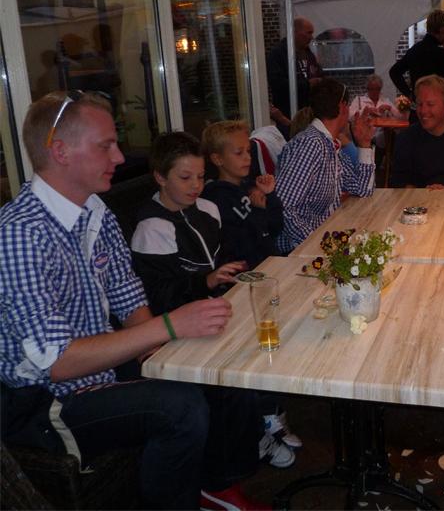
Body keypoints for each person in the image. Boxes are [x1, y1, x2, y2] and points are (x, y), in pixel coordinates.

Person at [0, 91, 266, 510]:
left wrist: (167, 351)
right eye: (105, 146)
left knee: (218, 368)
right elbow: (56, 361)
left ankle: (214, 484)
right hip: (46, 401)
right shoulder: (20, 232)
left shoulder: (95, 210)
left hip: (97, 369)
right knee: (179, 408)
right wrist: (170, 326)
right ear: (60, 151)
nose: (120, 157)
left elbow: (127, 298)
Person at [131, 131, 300, 467]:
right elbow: (159, 296)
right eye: (185, 178)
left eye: (200, 176)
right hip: (179, 325)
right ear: (160, 177)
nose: (196, 185)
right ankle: (246, 444)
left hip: (217, 305)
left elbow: (222, 256)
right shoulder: (152, 228)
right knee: (246, 354)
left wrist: (230, 273)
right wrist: (206, 281)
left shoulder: (207, 208)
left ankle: (264, 414)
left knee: (277, 324)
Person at [274, 78, 376, 254]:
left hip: (321, 241)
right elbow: (283, 206)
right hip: (295, 252)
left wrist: (364, 144)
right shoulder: (311, 144)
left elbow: (363, 189)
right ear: (343, 107)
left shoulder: (329, 144)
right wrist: (318, 244)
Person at [201, 121, 284, 270]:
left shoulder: (250, 186)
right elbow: (243, 245)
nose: (248, 158)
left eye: (248, 151)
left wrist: (270, 195)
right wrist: (259, 211)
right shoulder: (218, 199)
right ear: (218, 159)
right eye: (239, 153)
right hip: (249, 274)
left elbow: (275, 227)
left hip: (271, 264)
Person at [389, 9, 444, 100]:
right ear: (442, 29)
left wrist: (409, 94)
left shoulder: (414, 49)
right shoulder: (441, 53)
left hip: (419, 103)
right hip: (435, 103)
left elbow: (394, 72)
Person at [267, 17, 323, 119]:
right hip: (289, 114)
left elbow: (317, 72)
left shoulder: (308, 53)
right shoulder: (278, 53)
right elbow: (277, 83)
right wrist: (307, 84)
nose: (311, 37)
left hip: (309, 113)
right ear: (295, 32)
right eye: (308, 33)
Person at [348, 74, 405, 148]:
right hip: (363, 135)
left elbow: (400, 117)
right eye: (371, 89)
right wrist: (365, 111)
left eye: (377, 89)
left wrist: (390, 108)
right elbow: (349, 116)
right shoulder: (359, 100)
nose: (374, 92)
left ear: (380, 89)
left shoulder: (385, 100)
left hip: (382, 137)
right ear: (367, 89)